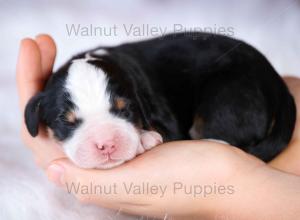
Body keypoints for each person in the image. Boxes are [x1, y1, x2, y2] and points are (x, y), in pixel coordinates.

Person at [16, 34, 300, 219]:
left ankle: (241, 144)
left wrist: (224, 184)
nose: (104, 142)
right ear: (37, 118)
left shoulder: (131, 82)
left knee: (219, 111)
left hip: (234, 78)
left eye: (122, 113)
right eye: (70, 126)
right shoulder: (64, 89)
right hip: (257, 87)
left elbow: (167, 122)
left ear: (137, 100)